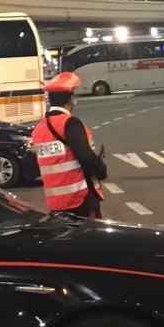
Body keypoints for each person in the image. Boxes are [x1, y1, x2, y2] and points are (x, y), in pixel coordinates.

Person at [31, 72, 107, 218]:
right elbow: (85, 157)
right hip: (80, 198)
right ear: (71, 99)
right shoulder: (69, 123)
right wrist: (101, 169)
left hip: (56, 202)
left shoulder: (38, 129)